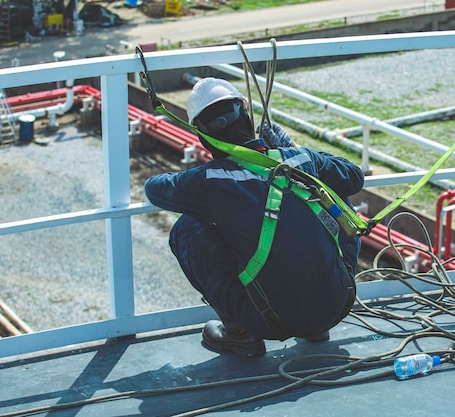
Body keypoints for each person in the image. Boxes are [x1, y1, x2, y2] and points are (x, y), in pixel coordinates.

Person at [144, 77, 364, 357]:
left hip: (269, 321)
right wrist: (291, 147)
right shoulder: (301, 160)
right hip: (337, 303)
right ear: (247, 117)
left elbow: (154, 189)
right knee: (334, 191)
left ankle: (240, 333)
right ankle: (316, 325)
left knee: (186, 229)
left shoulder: (210, 180)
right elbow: (353, 175)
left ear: (202, 136)